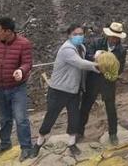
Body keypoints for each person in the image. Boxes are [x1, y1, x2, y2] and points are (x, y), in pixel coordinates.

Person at [32, 24, 100, 157]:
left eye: (81, 34)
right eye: (75, 34)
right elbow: (80, 63)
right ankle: (38, 143)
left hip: (74, 90)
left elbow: (84, 60)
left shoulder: (81, 47)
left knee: (74, 118)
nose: (79, 36)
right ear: (69, 35)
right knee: (51, 117)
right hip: (59, 90)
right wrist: (97, 65)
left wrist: (97, 58)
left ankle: (71, 143)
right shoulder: (67, 49)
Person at [78, 22, 128, 145]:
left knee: (111, 109)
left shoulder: (121, 50)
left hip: (108, 82)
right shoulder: (97, 43)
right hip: (93, 80)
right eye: (112, 36)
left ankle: (113, 134)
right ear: (107, 35)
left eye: (116, 38)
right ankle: (79, 132)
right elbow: (87, 56)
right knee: (85, 107)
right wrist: (96, 58)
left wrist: (109, 69)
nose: (114, 39)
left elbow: (119, 68)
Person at [0, 17, 33, 162]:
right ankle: (5, 144)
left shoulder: (24, 44)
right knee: (4, 119)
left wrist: (21, 71)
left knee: (21, 119)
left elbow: (28, 63)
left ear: (8, 31)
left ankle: (26, 147)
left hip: (17, 89)